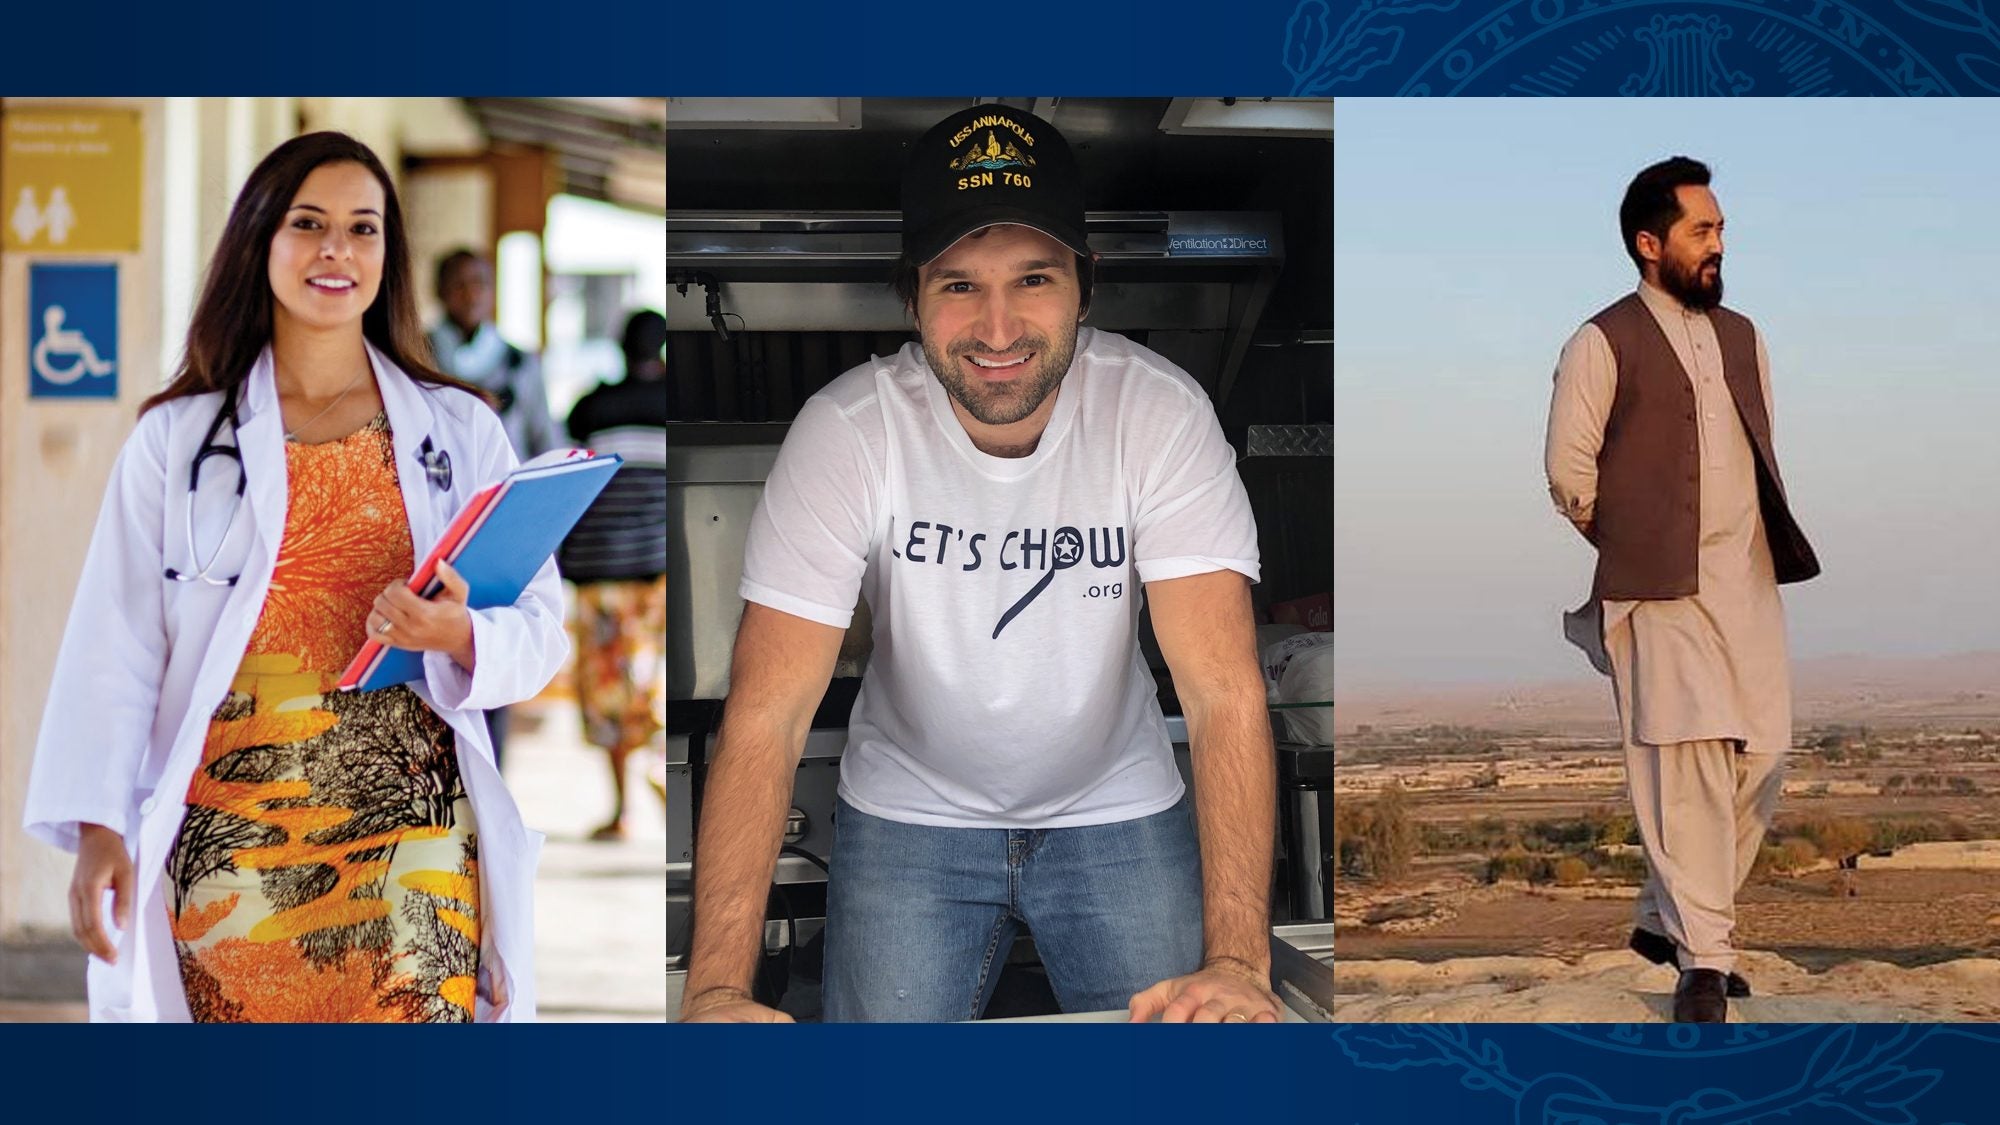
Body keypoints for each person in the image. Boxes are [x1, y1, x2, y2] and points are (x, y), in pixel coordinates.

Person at [681, 105, 1281, 1024]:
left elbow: (1224, 693)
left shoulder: (1158, 415)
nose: (997, 327)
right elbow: (767, 713)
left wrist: (1239, 961)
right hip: (909, 816)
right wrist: (717, 989)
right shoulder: (849, 432)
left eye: (1032, 277)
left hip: (1117, 807)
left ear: (1085, 285)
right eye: (958, 284)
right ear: (912, 295)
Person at [22, 132, 570, 1023]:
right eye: (307, 223)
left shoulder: (457, 432)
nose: (336, 251)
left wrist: (460, 634)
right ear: (259, 242)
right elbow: (113, 644)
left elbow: (543, 623)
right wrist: (97, 827)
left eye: (363, 229)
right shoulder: (178, 440)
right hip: (231, 848)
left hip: (414, 843)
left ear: (388, 255)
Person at [1544, 156, 1820, 1023]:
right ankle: (1706, 962)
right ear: (1648, 242)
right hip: (1654, 591)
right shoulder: (1599, 339)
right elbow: (1567, 470)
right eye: (1702, 230)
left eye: (1721, 228)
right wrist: (1629, 539)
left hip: (1747, 583)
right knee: (1687, 768)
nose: (1718, 244)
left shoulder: (1745, 336)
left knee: (1764, 755)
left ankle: (1665, 917)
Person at [429, 248, 559, 768]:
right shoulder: (415, 355)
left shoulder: (519, 362)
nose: (471, 294)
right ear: (441, 292)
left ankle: (491, 773)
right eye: (459, 284)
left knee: (491, 641)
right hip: (437, 519)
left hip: (502, 523)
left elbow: (543, 437)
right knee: (435, 652)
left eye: (480, 283)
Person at [560, 310, 670, 841]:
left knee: (610, 696)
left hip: (600, 573)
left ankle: (623, 809)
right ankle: (668, 791)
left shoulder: (591, 408)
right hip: (658, 576)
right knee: (656, 691)